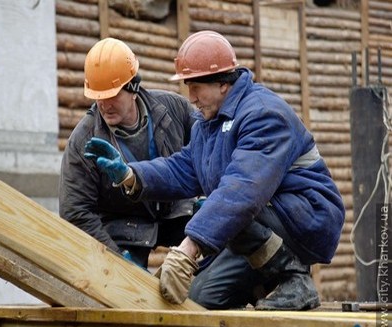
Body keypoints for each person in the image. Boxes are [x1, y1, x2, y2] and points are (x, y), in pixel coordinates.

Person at [83, 30, 345, 311]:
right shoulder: (208, 122)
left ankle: (294, 281)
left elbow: (241, 191)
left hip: (307, 218)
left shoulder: (262, 114)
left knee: (220, 207)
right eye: (187, 87)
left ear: (222, 84)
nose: (191, 97)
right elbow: (183, 167)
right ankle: (264, 285)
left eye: (196, 87)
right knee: (201, 298)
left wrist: (188, 249)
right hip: (260, 221)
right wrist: (131, 175)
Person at [59, 37, 196, 269]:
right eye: (98, 97)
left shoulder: (175, 109)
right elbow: (75, 211)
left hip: (176, 212)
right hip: (124, 228)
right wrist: (113, 258)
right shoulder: (83, 140)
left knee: (223, 237)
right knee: (131, 288)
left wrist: (207, 199)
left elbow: (210, 150)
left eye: (112, 95)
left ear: (133, 87)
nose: (104, 105)